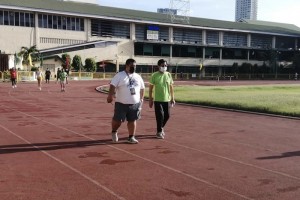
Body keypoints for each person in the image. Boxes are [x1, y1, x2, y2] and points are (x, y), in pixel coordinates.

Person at [107, 58, 145, 144]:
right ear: (126, 66)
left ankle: (131, 137)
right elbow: (112, 85)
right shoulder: (119, 75)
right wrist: (110, 96)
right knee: (118, 120)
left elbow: (142, 88)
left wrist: (141, 99)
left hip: (134, 104)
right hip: (121, 103)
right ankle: (114, 131)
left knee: (132, 120)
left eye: (135, 66)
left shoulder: (138, 76)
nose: (133, 68)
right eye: (132, 66)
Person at [149, 59, 175, 139]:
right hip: (157, 99)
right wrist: (151, 99)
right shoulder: (154, 75)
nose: (164, 67)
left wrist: (172, 98)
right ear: (159, 66)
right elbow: (150, 89)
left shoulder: (168, 75)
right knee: (160, 115)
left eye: (165, 66)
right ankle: (159, 131)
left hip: (167, 99)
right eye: (162, 66)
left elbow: (171, 87)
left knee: (167, 115)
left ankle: (160, 127)